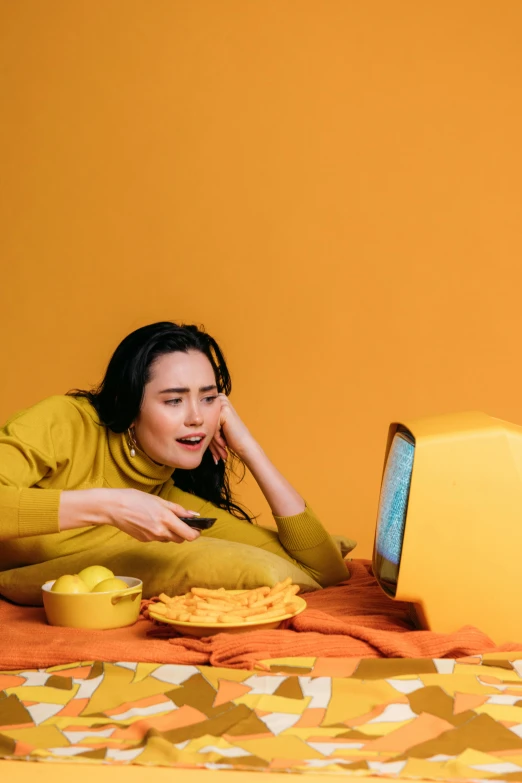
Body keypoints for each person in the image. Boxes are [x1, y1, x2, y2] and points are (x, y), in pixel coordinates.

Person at [0, 322, 351, 604]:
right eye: (174, 401)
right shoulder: (65, 423)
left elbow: (324, 570)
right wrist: (112, 506)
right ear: (128, 404)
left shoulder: (164, 499)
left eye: (209, 398)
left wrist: (249, 448)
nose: (197, 418)